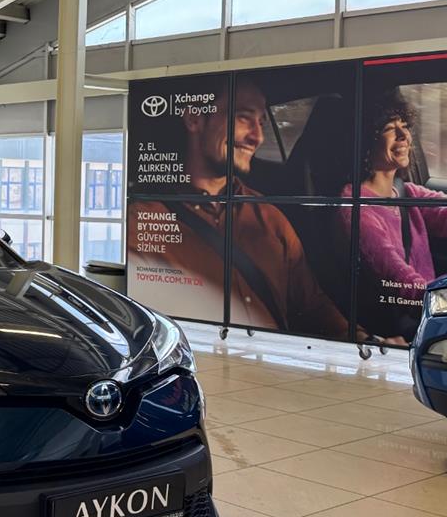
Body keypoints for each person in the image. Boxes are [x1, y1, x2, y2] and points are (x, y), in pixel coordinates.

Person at [130, 80, 356, 340]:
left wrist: (362, 339)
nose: (257, 137)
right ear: (194, 119)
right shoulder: (141, 222)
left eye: (261, 123)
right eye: (243, 118)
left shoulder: (269, 216)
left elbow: (311, 304)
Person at [342, 93, 447, 337]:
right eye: (389, 128)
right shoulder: (356, 209)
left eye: (404, 125)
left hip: (426, 311)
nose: (403, 135)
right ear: (366, 140)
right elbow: (399, 280)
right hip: (403, 325)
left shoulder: (405, 192)